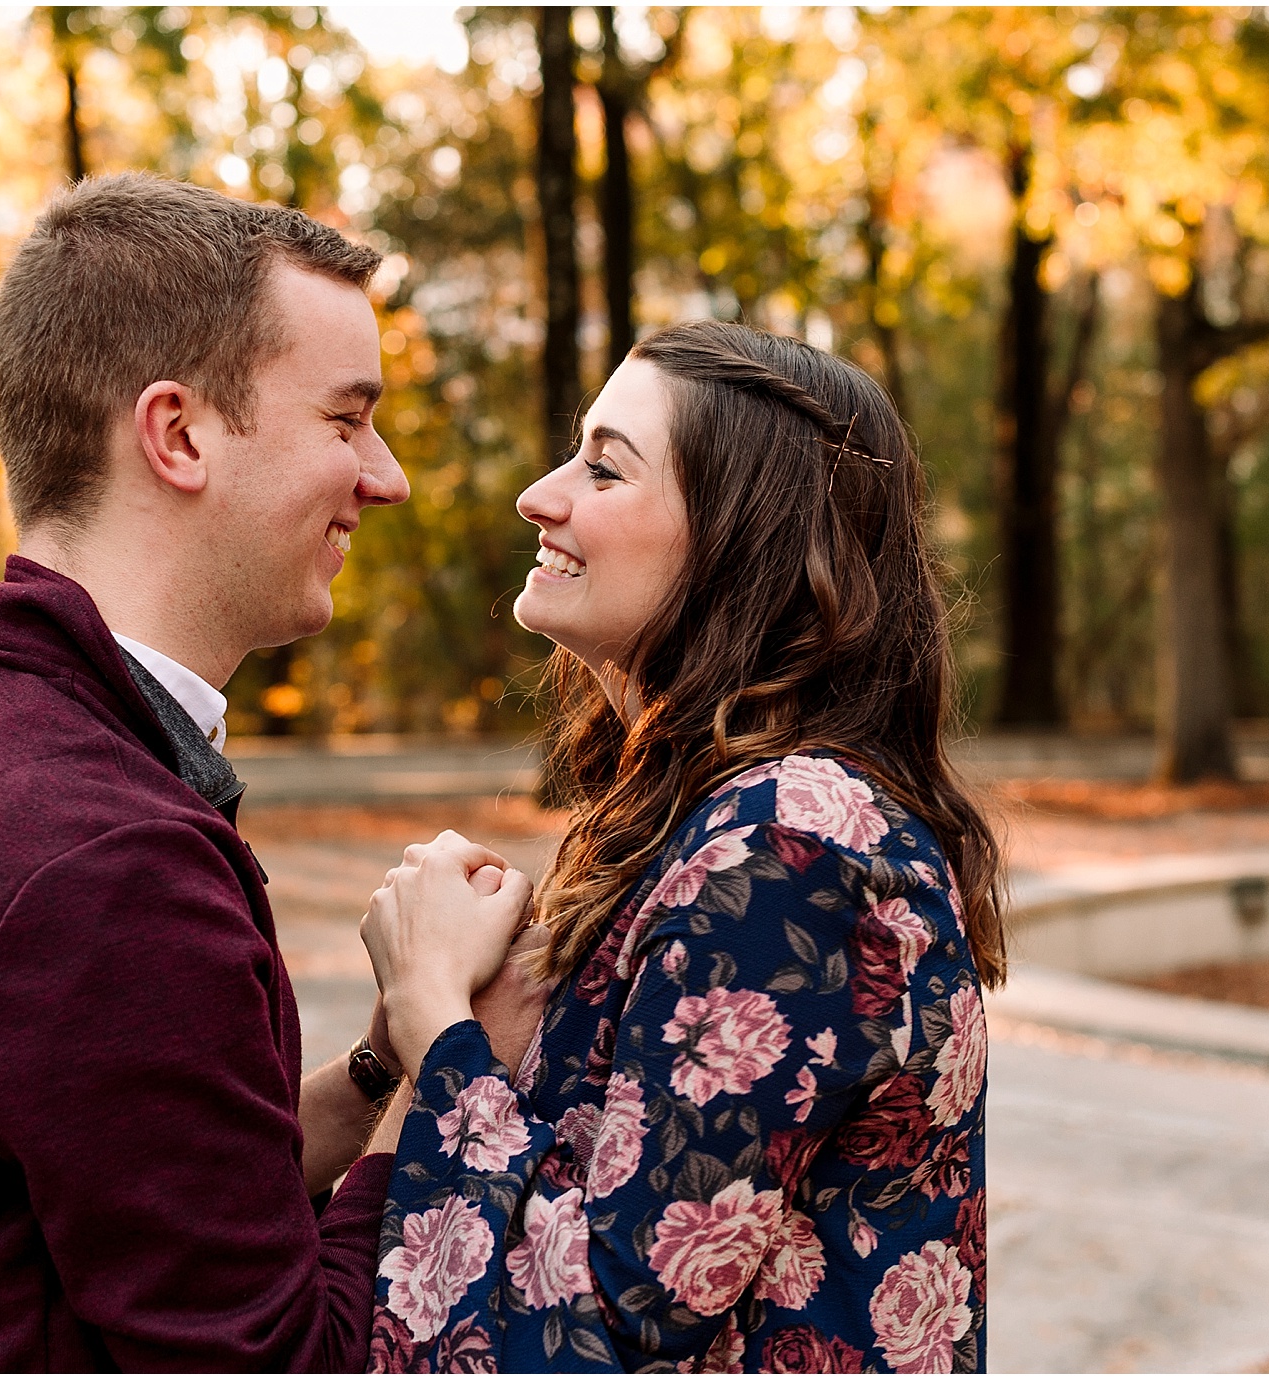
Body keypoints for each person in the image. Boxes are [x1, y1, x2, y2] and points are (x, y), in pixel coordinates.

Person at [0, 173, 539, 1372]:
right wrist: (463, 1061)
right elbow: (281, 1357)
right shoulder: (100, 851)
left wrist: (381, 1061)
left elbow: (149, 1196)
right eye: (346, 421)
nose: (383, 476)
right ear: (177, 435)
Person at [359, 320, 1008, 1373]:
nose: (540, 494)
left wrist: (433, 1015)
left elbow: (602, 1327)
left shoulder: (794, 849)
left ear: (739, 537)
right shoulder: (705, 818)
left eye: (604, 467)